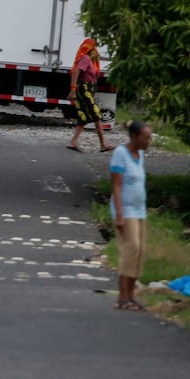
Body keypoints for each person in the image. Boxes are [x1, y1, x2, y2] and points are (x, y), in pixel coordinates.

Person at [109, 121, 153, 311]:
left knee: (141, 251)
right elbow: (117, 187)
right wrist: (119, 215)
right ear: (134, 137)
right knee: (131, 248)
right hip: (125, 211)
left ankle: (132, 295)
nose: (149, 141)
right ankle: (122, 296)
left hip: (139, 210)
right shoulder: (120, 153)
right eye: (146, 137)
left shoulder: (140, 155)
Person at [66, 38, 113, 153]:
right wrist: (73, 89)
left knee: (84, 116)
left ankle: (73, 142)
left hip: (88, 89)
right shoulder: (85, 59)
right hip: (84, 89)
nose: (96, 51)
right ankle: (103, 144)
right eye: (94, 48)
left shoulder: (91, 61)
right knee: (95, 113)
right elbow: (76, 72)